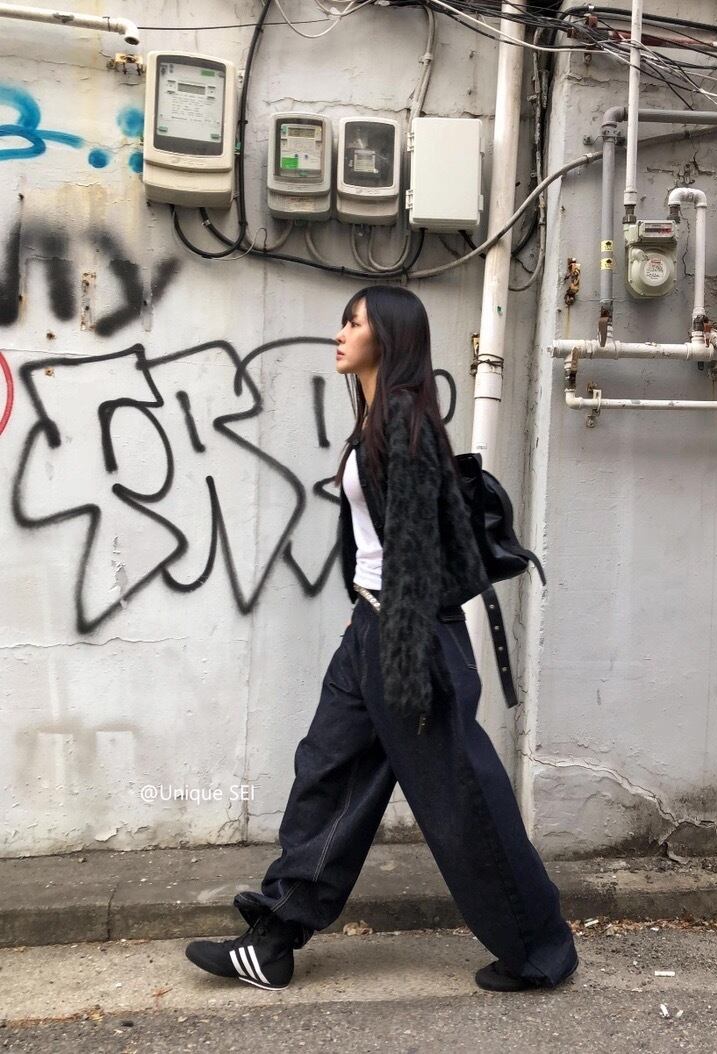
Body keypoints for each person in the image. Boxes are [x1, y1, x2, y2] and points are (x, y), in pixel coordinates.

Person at [185, 285, 578, 993]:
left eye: (355, 323)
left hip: (411, 639)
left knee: (462, 799)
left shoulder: (404, 419)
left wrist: (398, 648)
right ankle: (273, 940)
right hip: (373, 627)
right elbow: (375, 540)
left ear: (389, 337)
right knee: (327, 774)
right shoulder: (374, 417)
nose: (340, 333)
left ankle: (538, 949)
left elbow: (419, 546)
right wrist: (361, 616)